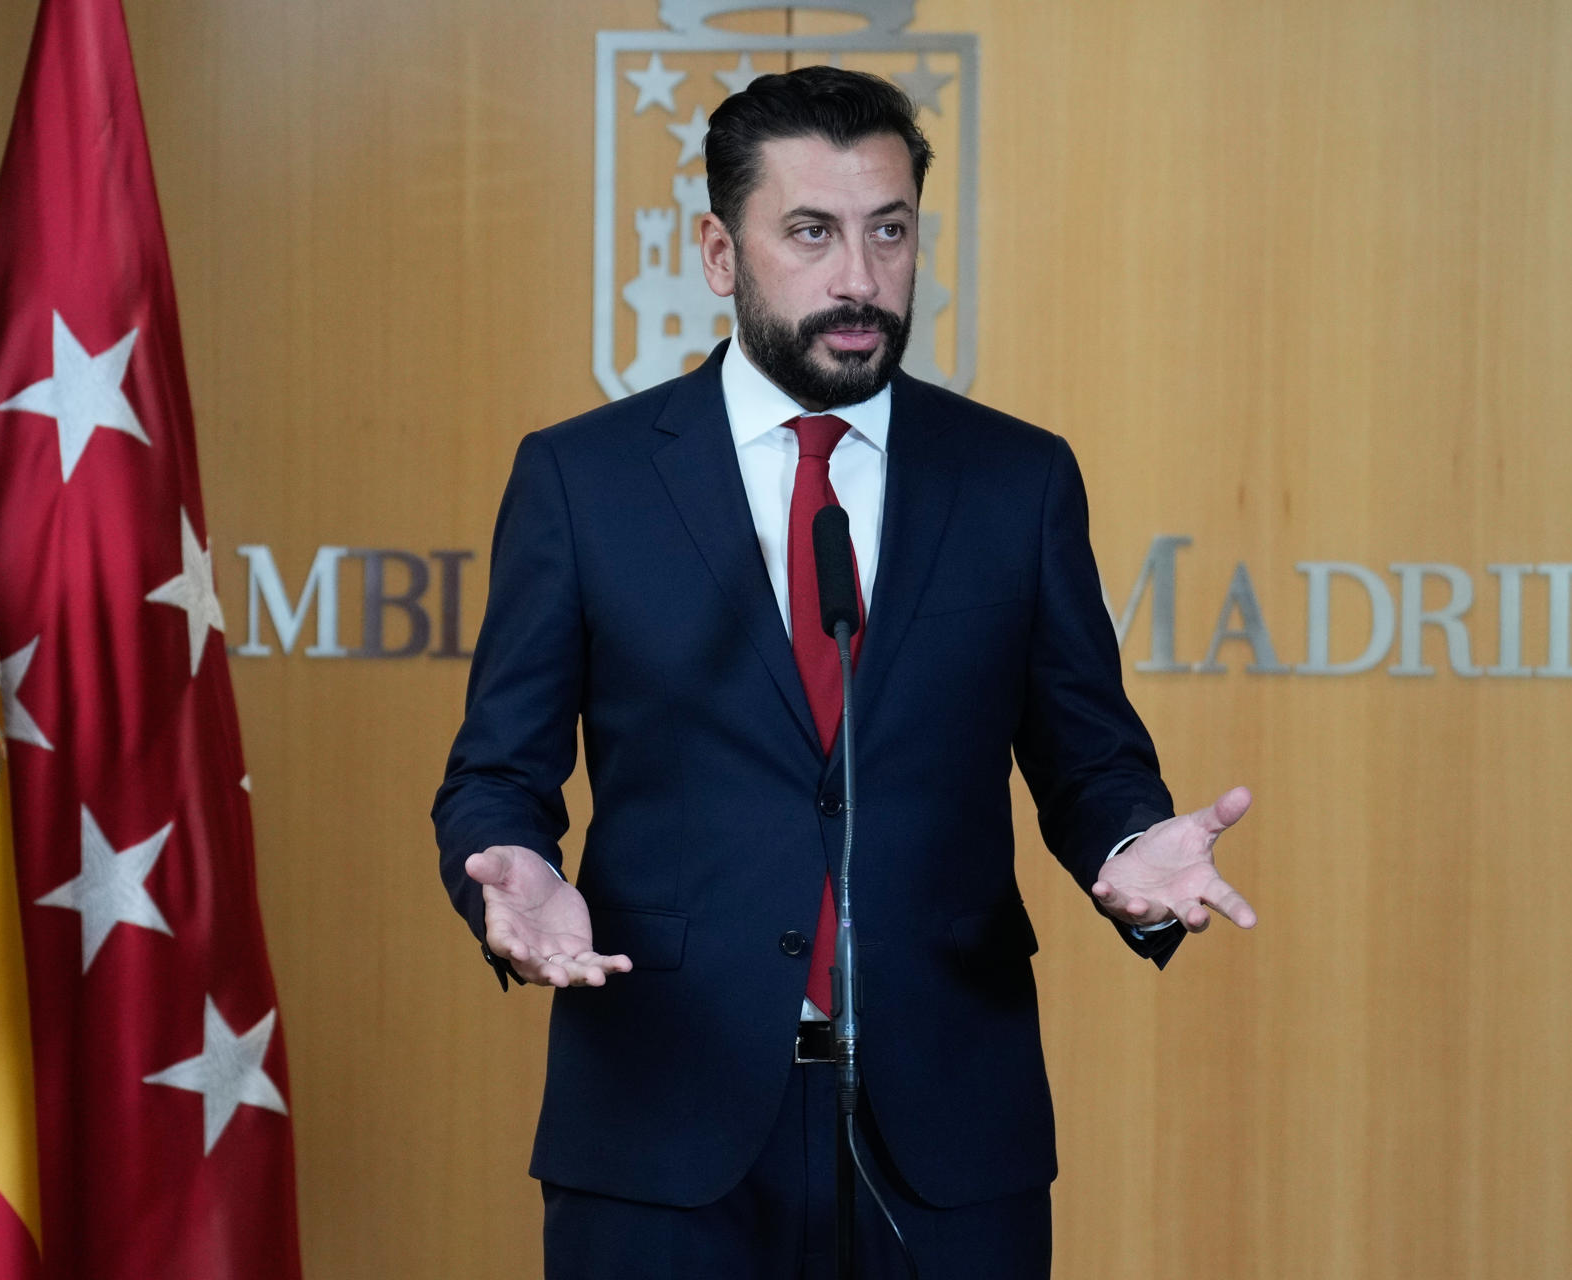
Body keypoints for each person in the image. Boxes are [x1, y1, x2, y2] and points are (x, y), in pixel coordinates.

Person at [433, 65, 1256, 1279]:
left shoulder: (1016, 479)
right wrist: (508, 883)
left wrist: (1129, 845)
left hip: (950, 1130)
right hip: (664, 1122)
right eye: (810, 233)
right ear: (721, 252)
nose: (858, 279)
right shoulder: (583, 479)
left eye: (889, 231)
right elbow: (496, 773)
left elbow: (1090, 758)